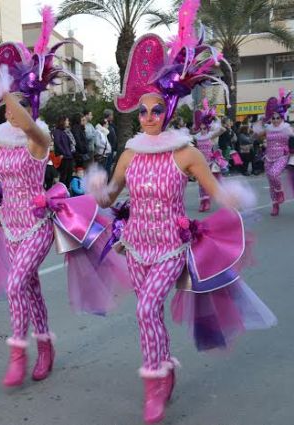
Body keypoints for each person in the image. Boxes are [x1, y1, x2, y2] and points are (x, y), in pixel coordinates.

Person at [89, 5, 276, 422]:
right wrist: (99, 191)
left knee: (145, 310)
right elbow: (111, 196)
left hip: (170, 250)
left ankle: (154, 385)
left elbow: (217, 191)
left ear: (169, 110)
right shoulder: (130, 152)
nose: (149, 117)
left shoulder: (186, 153)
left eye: (156, 110)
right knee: (147, 316)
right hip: (135, 246)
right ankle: (163, 370)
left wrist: (234, 199)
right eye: (143, 110)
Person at [0, 11, 126, 387]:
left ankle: (18, 354)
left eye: (18, 102)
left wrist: (5, 89)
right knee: (30, 288)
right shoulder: (2, 136)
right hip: (10, 225)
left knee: (15, 284)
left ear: (30, 104)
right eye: (8, 103)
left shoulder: (39, 138)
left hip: (37, 225)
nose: (10, 109)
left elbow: (25, 121)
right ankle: (45, 346)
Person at [252, 89, 294, 216]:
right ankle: (275, 206)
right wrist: (262, 120)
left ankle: (280, 191)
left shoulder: (287, 128)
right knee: (270, 182)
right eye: (273, 118)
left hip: (282, 156)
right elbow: (256, 135)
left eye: (277, 118)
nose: (275, 120)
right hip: (268, 157)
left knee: (273, 174)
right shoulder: (268, 128)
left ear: (282, 118)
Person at [193, 99, 226, 211]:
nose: (202, 130)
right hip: (200, 162)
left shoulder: (210, 134)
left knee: (209, 182)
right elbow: (188, 136)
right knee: (201, 183)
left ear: (207, 128)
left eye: (204, 128)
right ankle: (203, 202)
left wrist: (214, 117)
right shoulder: (197, 136)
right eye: (201, 128)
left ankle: (209, 202)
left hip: (211, 162)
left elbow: (223, 129)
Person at [52, 116, 75, 187]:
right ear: (63, 122)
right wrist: (63, 152)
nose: (68, 122)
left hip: (69, 156)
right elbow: (58, 143)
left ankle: (67, 188)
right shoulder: (57, 132)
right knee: (63, 175)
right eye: (67, 120)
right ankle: (62, 189)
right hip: (64, 157)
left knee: (69, 173)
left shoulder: (65, 131)